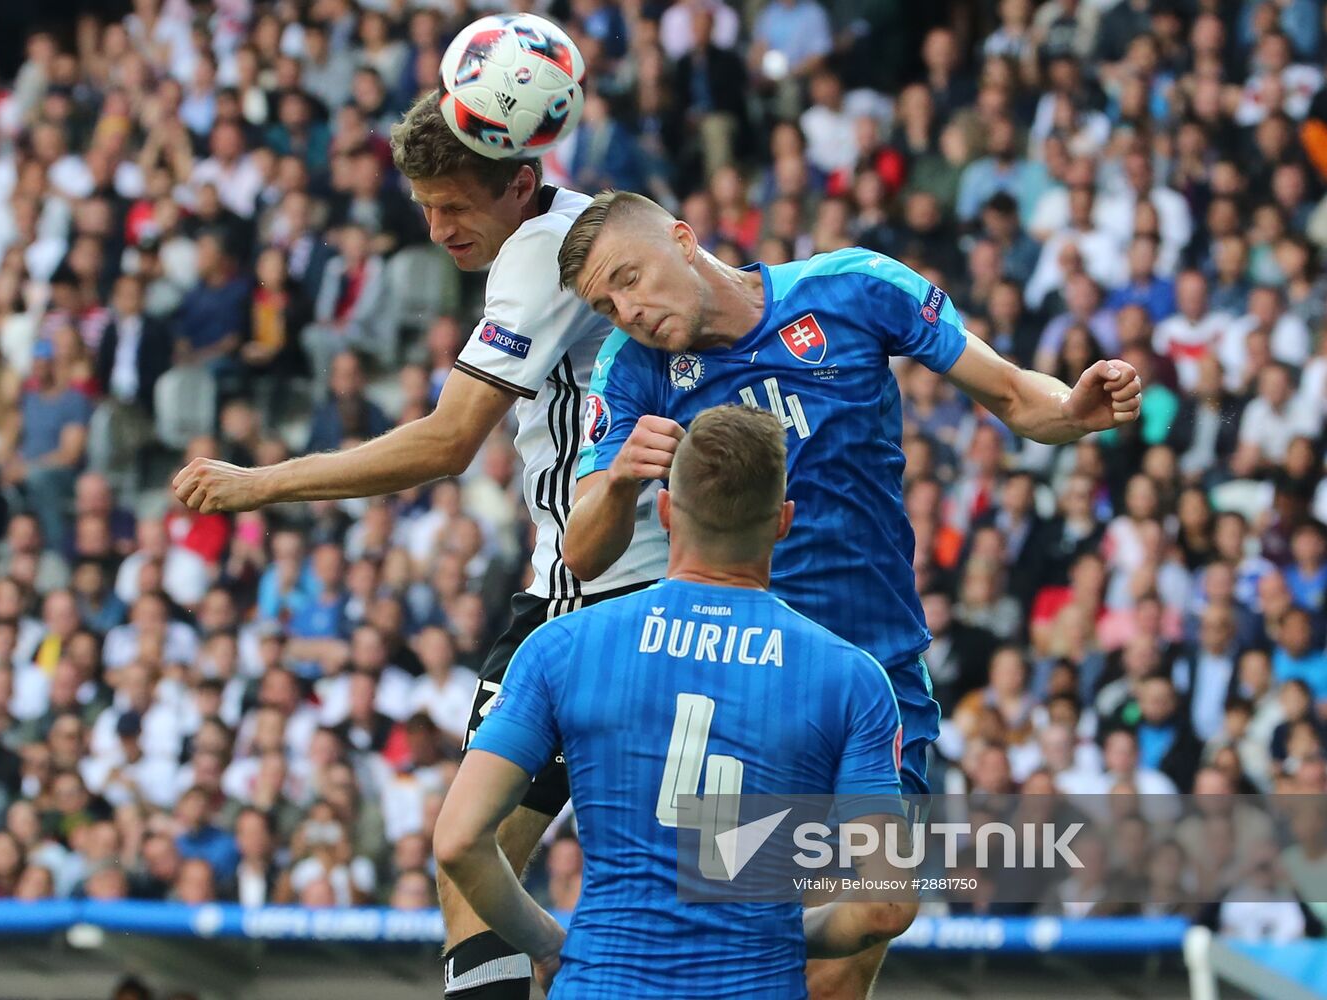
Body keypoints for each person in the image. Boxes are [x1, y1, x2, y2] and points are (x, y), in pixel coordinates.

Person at [557, 190, 1141, 994]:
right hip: (739, 680)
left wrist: (1073, 410)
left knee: (866, 931)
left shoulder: (854, 287)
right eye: (605, 303)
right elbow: (581, 552)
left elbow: (1013, 395)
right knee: (734, 944)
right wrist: (619, 481)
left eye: (630, 277)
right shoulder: (632, 372)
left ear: (683, 240)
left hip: (879, 669)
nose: (627, 311)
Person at [172, 91, 667, 999]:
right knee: (715, 886)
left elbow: (446, 444)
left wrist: (262, 484)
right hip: (690, 590)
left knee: (470, 862)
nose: (438, 230)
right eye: (426, 209)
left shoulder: (535, 256)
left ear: (521, 183)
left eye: (455, 208)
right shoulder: (613, 229)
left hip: (591, 600)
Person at [436, 405, 914, 998]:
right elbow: (886, 906)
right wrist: (775, 934)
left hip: (602, 979)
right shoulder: (852, 678)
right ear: (784, 521)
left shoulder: (562, 647)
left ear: (663, 512)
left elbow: (458, 839)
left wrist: (551, 942)